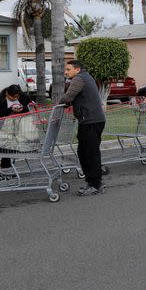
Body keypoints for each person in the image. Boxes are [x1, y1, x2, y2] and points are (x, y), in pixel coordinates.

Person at [60, 60, 106, 196]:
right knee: (84, 152)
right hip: (91, 120)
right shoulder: (86, 76)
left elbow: (69, 96)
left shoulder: (79, 78)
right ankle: (93, 181)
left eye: (68, 69)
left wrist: (60, 103)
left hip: (90, 121)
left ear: (77, 69)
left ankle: (95, 184)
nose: (66, 72)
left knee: (90, 154)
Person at [0, 84, 33, 169]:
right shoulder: (0, 99)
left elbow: (30, 107)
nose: (15, 99)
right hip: (5, 127)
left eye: (17, 97)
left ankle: (9, 166)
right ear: (7, 94)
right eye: (12, 97)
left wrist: (22, 109)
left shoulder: (24, 97)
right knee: (6, 146)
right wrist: (10, 109)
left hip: (21, 126)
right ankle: (6, 168)